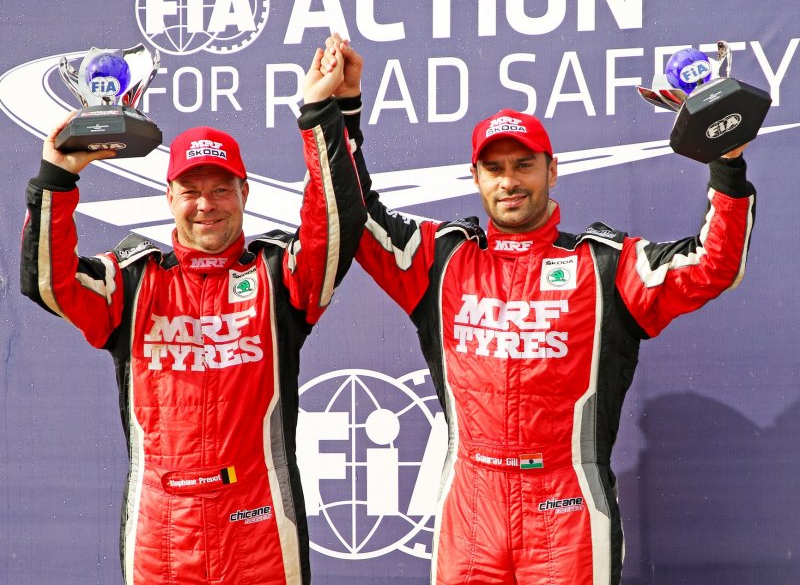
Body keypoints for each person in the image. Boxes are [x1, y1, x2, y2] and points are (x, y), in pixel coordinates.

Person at [320, 35, 755, 584]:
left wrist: (727, 162)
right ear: (476, 179)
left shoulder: (604, 265)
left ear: (552, 171)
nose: (509, 181)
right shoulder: (441, 258)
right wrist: (345, 110)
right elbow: (357, 216)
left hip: (567, 505)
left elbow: (714, 265)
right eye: (494, 168)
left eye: (524, 165)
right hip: (471, 509)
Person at [19, 45, 365, 585]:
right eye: (191, 191)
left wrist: (319, 113)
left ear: (245, 193)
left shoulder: (279, 275)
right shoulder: (133, 279)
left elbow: (336, 228)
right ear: (169, 197)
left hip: (258, 525)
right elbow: (48, 283)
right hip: (161, 531)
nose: (206, 205)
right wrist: (57, 178)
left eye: (221, 189)